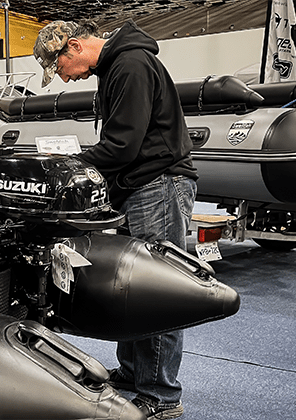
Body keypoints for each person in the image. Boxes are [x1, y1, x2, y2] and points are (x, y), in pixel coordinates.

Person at [33, 20, 198, 420]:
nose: (64, 78)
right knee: (130, 288)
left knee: (153, 291)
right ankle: (134, 372)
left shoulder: (130, 65)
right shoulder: (115, 68)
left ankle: (160, 395)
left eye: (59, 68)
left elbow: (123, 145)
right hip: (139, 187)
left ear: (74, 46)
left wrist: (70, 163)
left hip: (157, 186)